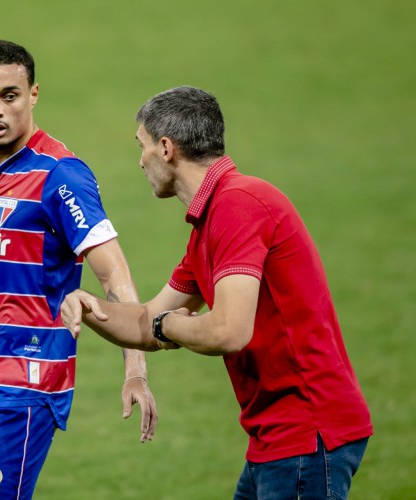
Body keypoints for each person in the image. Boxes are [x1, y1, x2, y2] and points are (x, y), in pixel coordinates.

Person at [62, 86, 373, 499]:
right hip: (276, 436)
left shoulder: (238, 207)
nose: (140, 161)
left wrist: (168, 326)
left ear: (167, 148)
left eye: (143, 146)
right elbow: (147, 321)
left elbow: (228, 330)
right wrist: (89, 305)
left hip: (307, 433)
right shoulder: (211, 223)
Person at [0, 40, 157, 499]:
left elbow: (114, 276)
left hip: (21, 389)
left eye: (9, 96)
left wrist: (135, 369)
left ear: (33, 94)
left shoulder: (62, 175)